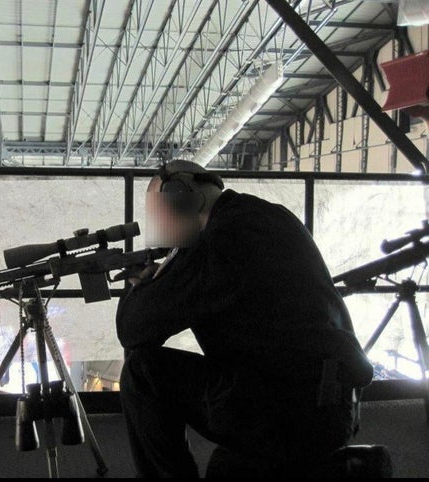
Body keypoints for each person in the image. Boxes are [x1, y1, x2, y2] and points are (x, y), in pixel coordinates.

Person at [115, 159, 374, 478]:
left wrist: (147, 284)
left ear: (181, 197)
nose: (160, 227)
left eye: (160, 211)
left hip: (288, 414)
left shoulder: (219, 239)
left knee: (142, 372)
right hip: (330, 405)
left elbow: (133, 330)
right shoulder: (268, 215)